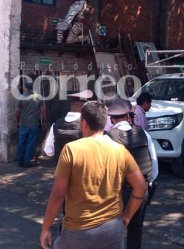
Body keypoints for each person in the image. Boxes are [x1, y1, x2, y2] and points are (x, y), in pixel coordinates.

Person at [40, 101, 147, 249]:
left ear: (83, 123)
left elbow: (58, 194)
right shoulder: (120, 150)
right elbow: (141, 186)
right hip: (113, 229)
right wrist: (127, 217)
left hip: (78, 230)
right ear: (105, 122)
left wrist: (45, 227)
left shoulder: (71, 150)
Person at [107, 98, 158, 249]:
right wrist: (149, 183)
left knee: (113, 231)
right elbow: (154, 161)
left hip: (117, 192)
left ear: (111, 119)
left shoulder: (108, 138)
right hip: (141, 190)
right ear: (128, 117)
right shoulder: (143, 133)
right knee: (135, 230)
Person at [43, 89, 93, 161]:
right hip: (83, 168)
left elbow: (49, 152)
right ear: (85, 107)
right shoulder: (88, 124)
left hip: (62, 169)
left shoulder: (55, 125)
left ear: (70, 106)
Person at [16, 82, 45, 167]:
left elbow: (17, 111)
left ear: (25, 88)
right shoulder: (38, 97)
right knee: (31, 143)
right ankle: (27, 161)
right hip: (34, 124)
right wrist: (43, 122)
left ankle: (20, 161)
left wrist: (17, 121)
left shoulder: (21, 97)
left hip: (23, 124)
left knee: (21, 142)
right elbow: (43, 111)